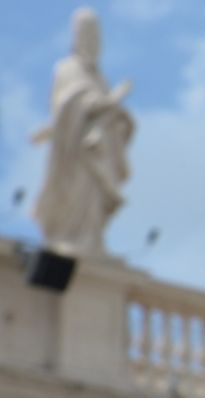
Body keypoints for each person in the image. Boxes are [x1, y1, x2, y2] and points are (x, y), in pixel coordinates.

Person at [30, 8, 136, 257]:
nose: (90, 39)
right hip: (75, 148)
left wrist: (119, 115)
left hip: (98, 149)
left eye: (94, 34)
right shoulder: (67, 68)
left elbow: (103, 109)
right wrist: (111, 100)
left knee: (91, 199)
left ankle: (89, 241)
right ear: (76, 36)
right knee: (76, 193)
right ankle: (73, 238)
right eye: (85, 33)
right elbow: (66, 104)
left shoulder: (99, 77)